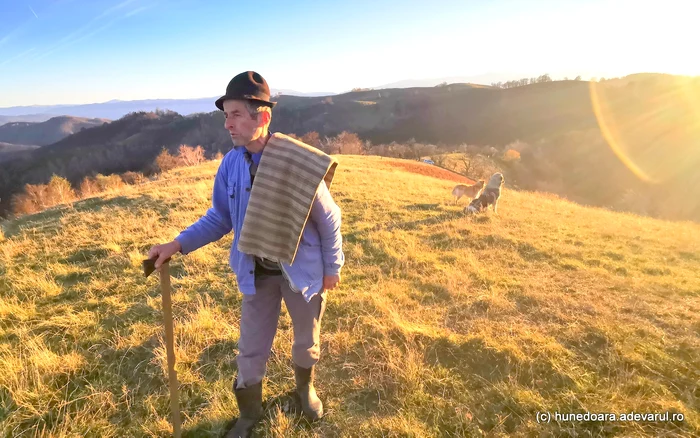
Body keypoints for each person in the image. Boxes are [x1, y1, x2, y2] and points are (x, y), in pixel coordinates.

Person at [147, 71, 344, 437]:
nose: (228, 124)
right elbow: (220, 217)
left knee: (306, 340)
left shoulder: (296, 162)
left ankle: (305, 388)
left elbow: (329, 217)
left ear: (262, 116)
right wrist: (177, 244)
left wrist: (333, 266)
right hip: (256, 270)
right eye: (226, 115)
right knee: (251, 347)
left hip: (300, 271)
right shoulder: (231, 164)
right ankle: (249, 413)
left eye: (236, 114)